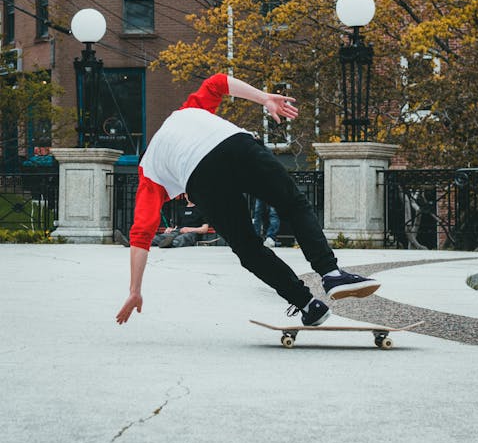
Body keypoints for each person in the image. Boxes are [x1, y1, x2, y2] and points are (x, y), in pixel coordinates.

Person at [116, 74, 380, 327]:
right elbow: (218, 82)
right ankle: (331, 274)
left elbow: (141, 233)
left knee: (248, 248)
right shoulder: (187, 111)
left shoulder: (148, 171)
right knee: (293, 204)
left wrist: (134, 290)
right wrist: (263, 97)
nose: (182, 199)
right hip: (237, 146)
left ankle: (307, 304)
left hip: (202, 180)